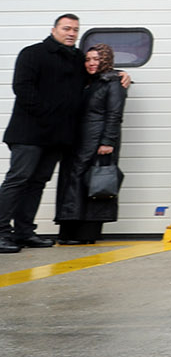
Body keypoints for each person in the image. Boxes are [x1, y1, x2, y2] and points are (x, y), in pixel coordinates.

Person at [1, 14, 87, 253]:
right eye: (66, 28)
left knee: (37, 183)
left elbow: (93, 75)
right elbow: (22, 88)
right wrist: (50, 115)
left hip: (56, 137)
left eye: (75, 30)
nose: (71, 33)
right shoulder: (33, 53)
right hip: (29, 133)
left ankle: (24, 232)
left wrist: (119, 74)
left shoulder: (77, 58)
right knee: (18, 180)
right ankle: (0, 232)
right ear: (54, 30)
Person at [55, 43, 126, 245]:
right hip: (79, 140)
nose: (92, 63)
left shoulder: (113, 83)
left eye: (97, 59)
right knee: (74, 182)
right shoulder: (87, 82)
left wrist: (107, 141)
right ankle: (69, 230)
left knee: (95, 184)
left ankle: (86, 233)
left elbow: (114, 114)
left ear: (106, 60)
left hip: (98, 141)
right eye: (88, 59)